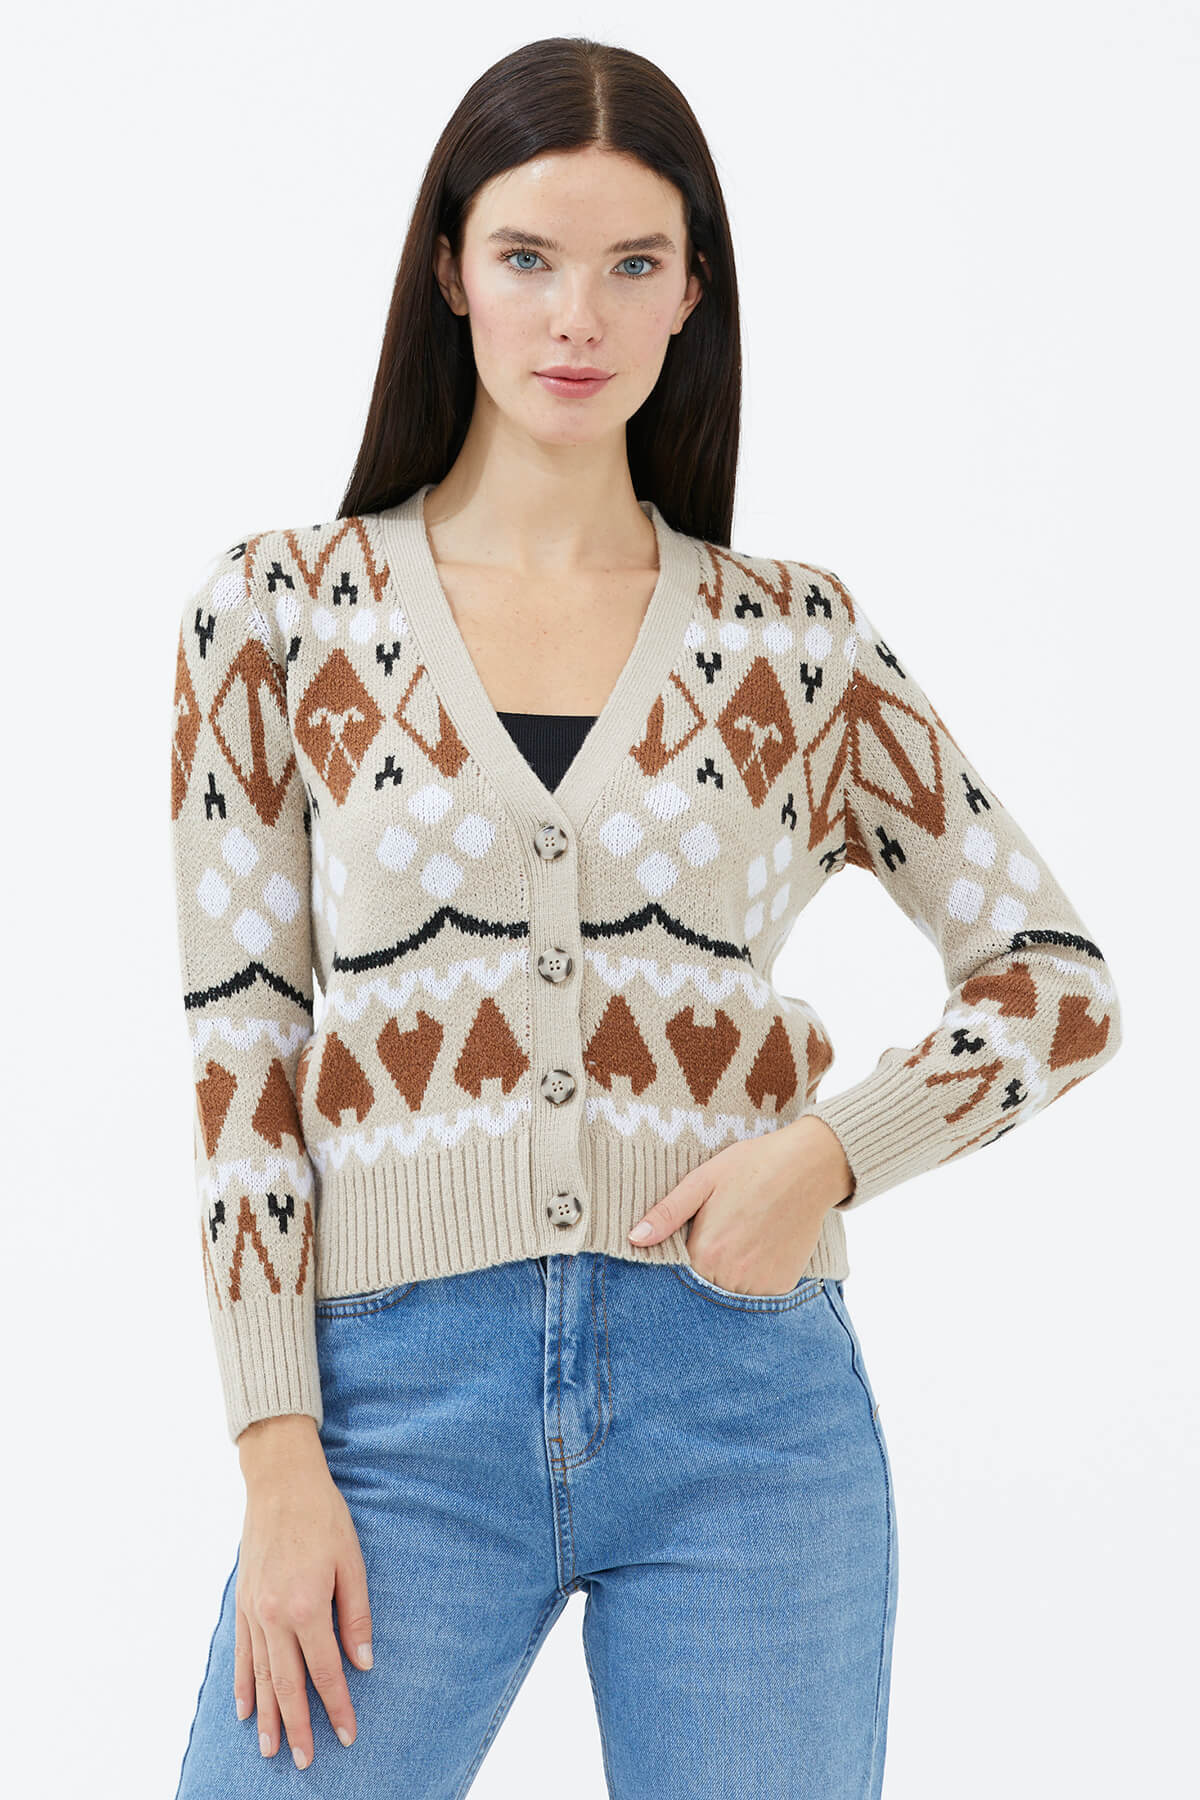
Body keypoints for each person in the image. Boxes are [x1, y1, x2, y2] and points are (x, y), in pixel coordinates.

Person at [167, 35, 1123, 1798]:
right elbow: (245, 1056)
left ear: (693, 293)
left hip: (743, 1407)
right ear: (450, 269)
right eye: (528, 256)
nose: (575, 317)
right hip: (393, 1413)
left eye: (632, 264)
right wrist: (275, 1454)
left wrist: (825, 1158)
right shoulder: (280, 615)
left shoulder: (794, 644)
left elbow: (1056, 984)